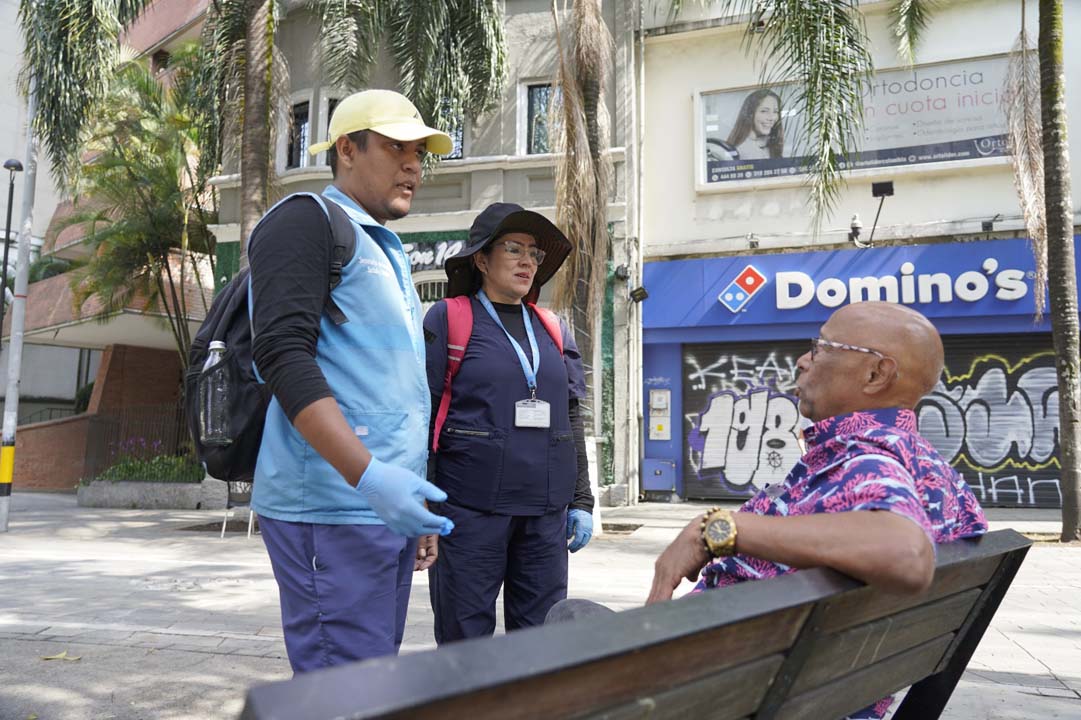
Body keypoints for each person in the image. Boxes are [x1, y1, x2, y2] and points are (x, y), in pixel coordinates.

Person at [554, 302, 987, 720]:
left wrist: (721, 528)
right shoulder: (932, 471)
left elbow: (904, 554)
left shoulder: (866, 462)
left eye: (821, 348)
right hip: (801, 687)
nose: (802, 360)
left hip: (733, 694)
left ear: (876, 373)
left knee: (568, 622)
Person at [247, 89, 456, 673]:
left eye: (420, 152)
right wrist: (369, 478)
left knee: (370, 682)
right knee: (341, 692)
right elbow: (283, 356)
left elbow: (391, 391)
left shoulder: (383, 247)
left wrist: (408, 497)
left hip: (379, 509)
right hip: (333, 507)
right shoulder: (305, 220)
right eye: (396, 148)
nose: (414, 165)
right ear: (346, 149)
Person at [423, 202, 595, 643]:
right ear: (481, 259)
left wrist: (582, 501)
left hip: (544, 514)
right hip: (468, 509)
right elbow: (424, 410)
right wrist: (424, 502)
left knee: (540, 643)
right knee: (465, 641)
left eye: (535, 254)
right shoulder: (450, 318)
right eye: (513, 249)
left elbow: (571, 414)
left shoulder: (553, 327)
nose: (527, 262)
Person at [723, 88, 784, 160]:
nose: (771, 118)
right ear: (750, 114)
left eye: (775, 111)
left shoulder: (768, 143)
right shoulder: (743, 150)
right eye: (764, 111)